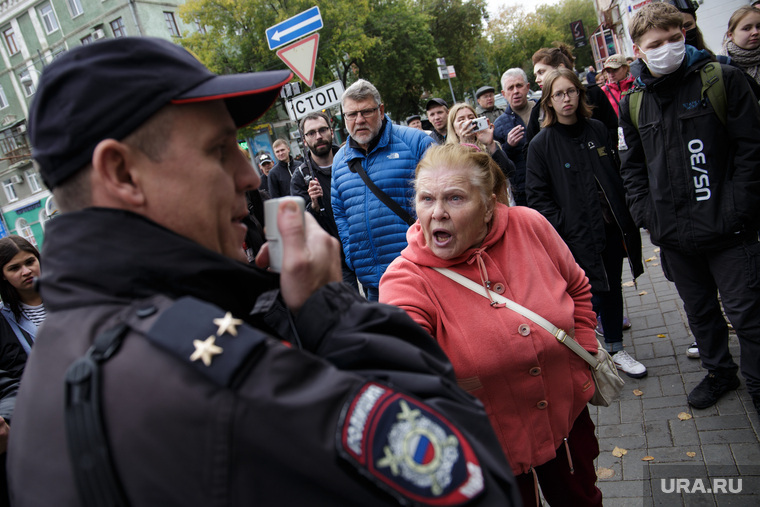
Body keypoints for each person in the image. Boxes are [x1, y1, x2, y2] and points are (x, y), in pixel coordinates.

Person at [7, 37, 521, 506]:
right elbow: (479, 485)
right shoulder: (213, 377)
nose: (250, 174)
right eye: (217, 148)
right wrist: (329, 309)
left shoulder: (52, 373)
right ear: (121, 174)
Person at [380, 143, 603, 507]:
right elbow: (401, 362)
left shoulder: (529, 225)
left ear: (488, 206)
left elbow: (577, 287)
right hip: (489, 455)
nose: (437, 213)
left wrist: (585, 353)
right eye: (426, 199)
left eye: (455, 198)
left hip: (567, 423)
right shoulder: (405, 279)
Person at [619, 3, 760, 414]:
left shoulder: (723, 80)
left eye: (673, 38)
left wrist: (738, 209)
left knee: (749, 315)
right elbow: (632, 170)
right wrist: (649, 216)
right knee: (700, 314)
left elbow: (751, 152)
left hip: (730, 231)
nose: (666, 48)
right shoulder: (633, 102)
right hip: (675, 237)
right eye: (655, 44)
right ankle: (720, 372)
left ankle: (757, 383)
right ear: (639, 50)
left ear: (685, 34)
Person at [526, 68, 646, 378]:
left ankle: (617, 349)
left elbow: (617, 173)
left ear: (580, 94)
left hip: (608, 227)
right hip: (573, 236)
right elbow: (537, 197)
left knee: (611, 288)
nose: (567, 99)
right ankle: (589, 353)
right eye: (559, 94)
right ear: (549, 102)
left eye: (572, 91)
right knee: (585, 294)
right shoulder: (541, 144)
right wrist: (563, 226)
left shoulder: (597, 129)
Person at [331, 79, 435, 302]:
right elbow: (340, 213)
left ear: (381, 110)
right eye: (351, 114)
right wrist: (353, 256)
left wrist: (429, 248)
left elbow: (439, 200)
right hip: (373, 284)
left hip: (419, 273)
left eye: (366, 111)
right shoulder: (340, 160)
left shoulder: (415, 142)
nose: (359, 120)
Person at [290, 112, 358, 290]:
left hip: (365, 246)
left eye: (322, 130)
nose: (318, 136)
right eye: (311, 133)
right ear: (304, 140)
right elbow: (300, 225)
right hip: (334, 258)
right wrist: (313, 205)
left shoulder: (351, 159)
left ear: (331, 131)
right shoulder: (301, 177)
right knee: (352, 310)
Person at [0, 236, 44, 507]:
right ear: (3, 277)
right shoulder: (4, 321)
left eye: (30, 262)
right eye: (14, 268)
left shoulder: (74, 297)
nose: (26, 271)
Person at [526, 43, 618, 144]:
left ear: (561, 67)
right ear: (549, 103)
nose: (537, 80)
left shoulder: (593, 94)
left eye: (541, 72)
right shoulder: (539, 110)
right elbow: (530, 150)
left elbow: (614, 130)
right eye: (558, 95)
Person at [445, 103, 514, 202]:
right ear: (453, 127)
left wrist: (490, 145)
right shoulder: (448, 153)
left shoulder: (489, 145)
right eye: (461, 120)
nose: (468, 122)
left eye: (471, 117)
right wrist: (465, 144)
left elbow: (509, 172)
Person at [493, 68, 537, 206]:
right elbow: (499, 166)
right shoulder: (499, 125)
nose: (516, 91)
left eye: (519, 85)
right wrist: (508, 146)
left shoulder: (543, 110)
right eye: (510, 88)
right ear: (504, 94)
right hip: (523, 191)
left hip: (554, 179)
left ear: (527, 87)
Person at [721, 6, 760, 86]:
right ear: (731, 35)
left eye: (758, 27)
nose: (755, 32)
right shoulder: (721, 63)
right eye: (747, 28)